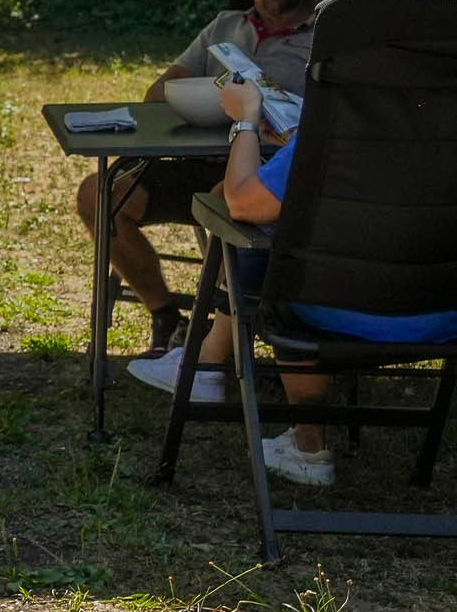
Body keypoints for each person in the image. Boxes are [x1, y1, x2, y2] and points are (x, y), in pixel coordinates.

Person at [127, 74, 457, 487]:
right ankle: (212, 367)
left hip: (329, 312)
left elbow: (243, 203)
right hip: (442, 316)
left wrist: (245, 119)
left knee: (256, 251)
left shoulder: (333, 138)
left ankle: (306, 439)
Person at [77, 0, 320, 355]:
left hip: (273, 173)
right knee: (99, 193)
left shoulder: (328, 32)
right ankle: (167, 316)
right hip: (197, 162)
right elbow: (158, 93)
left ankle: (211, 344)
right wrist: (216, 98)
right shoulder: (225, 26)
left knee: (227, 198)